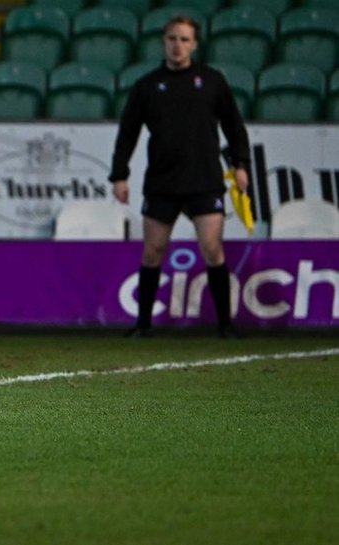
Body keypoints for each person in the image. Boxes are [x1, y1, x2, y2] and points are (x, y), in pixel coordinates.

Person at [110, 16, 249, 339]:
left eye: (185, 39)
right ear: (164, 42)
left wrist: (241, 164)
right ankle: (143, 325)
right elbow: (127, 133)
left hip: (205, 179)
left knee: (212, 249)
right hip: (163, 182)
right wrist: (119, 176)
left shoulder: (212, 81)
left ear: (195, 44)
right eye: (172, 38)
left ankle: (225, 325)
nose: (178, 45)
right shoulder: (147, 85)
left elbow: (234, 125)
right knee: (152, 251)